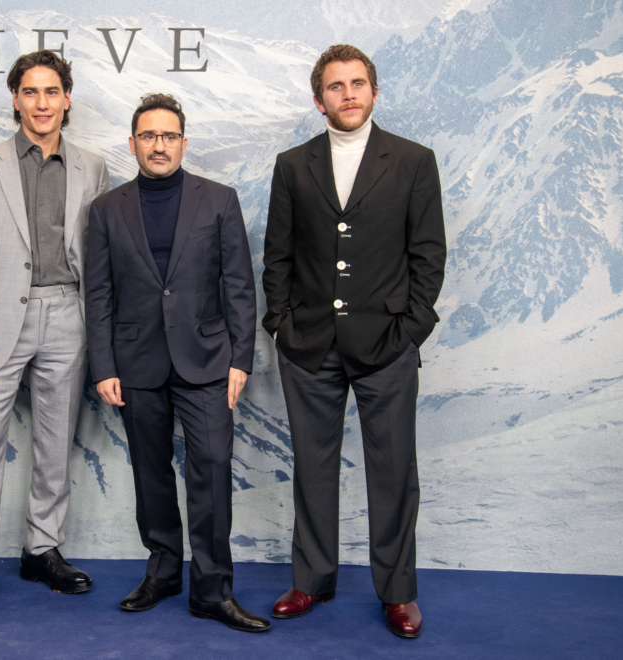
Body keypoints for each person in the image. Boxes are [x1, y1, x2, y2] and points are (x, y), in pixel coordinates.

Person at [261, 44, 447, 639]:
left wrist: (411, 329)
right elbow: (278, 256)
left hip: (387, 345)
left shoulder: (414, 161)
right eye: (336, 86)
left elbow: (428, 255)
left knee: (394, 472)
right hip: (309, 345)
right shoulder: (293, 165)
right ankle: (311, 579)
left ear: (373, 91)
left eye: (358, 83)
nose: (348, 94)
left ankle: (397, 592)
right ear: (319, 99)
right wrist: (282, 326)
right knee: (312, 468)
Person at [85, 93, 268, 633]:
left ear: (184, 143)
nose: (158, 145)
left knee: (210, 470)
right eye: (148, 136)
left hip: (208, 360)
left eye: (168, 136)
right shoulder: (106, 209)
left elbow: (238, 284)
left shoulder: (219, 200)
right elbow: (98, 294)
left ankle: (212, 590)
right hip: (134, 362)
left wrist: (240, 357)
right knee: (151, 474)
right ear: (133, 143)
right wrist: (103, 365)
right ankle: (163, 571)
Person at [0, 50, 110, 634]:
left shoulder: (93, 166)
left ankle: (42, 550)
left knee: (54, 441)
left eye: (52, 92)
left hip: (68, 316)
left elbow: (98, 260)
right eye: (30, 92)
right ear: (15, 99)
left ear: (67, 99)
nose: (41, 103)